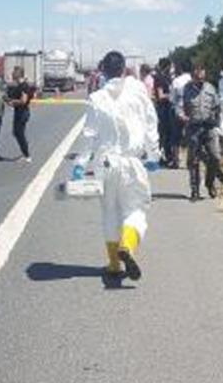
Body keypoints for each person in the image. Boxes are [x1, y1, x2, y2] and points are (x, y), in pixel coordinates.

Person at [73, 51, 160, 281]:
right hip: (131, 162)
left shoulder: (97, 98)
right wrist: (153, 155)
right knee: (136, 210)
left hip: (105, 163)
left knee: (109, 212)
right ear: (123, 69)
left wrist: (80, 164)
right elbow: (151, 124)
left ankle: (113, 264)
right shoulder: (139, 93)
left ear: (103, 70)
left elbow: (89, 135)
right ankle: (128, 246)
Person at [177, 61, 221, 203]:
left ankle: (209, 183)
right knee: (194, 160)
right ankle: (195, 188)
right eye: (198, 77)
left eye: (202, 77)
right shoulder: (186, 89)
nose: (200, 80)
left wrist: (215, 118)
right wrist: (182, 116)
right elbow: (178, 106)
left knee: (215, 157)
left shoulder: (211, 88)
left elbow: (217, 106)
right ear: (193, 76)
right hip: (194, 128)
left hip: (209, 127)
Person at [7, 66, 35, 163]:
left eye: (14, 73)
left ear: (18, 74)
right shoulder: (21, 85)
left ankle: (27, 155)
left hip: (22, 112)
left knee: (19, 133)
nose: (12, 74)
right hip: (20, 112)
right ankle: (25, 153)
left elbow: (23, 100)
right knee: (17, 133)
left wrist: (13, 102)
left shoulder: (23, 86)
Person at [169, 60, 193, 168]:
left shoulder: (176, 81)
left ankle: (176, 161)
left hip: (178, 112)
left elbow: (172, 99)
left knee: (176, 137)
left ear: (181, 69)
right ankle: (190, 161)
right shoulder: (194, 81)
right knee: (191, 137)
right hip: (192, 112)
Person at [154, 58, 175, 166]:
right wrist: (171, 95)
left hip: (168, 108)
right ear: (167, 66)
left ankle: (167, 156)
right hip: (163, 109)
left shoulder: (168, 78)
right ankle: (161, 156)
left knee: (168, 134)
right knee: (163, 134)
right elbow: (160, 95)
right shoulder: (159, 78)